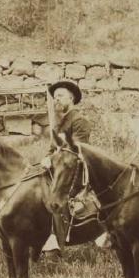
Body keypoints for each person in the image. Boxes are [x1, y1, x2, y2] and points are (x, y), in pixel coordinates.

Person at [42, 80, 91, 255]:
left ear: (71, 98)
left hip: (74, 171)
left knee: (57, 196)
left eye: (60, 96)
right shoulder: (58, 124)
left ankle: (56, 245)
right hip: (58, 169)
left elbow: (76, 152)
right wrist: (47, 158)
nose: (56, 100)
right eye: (55, 98)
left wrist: (53, 158)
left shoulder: (79, 121)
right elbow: (51, 149)